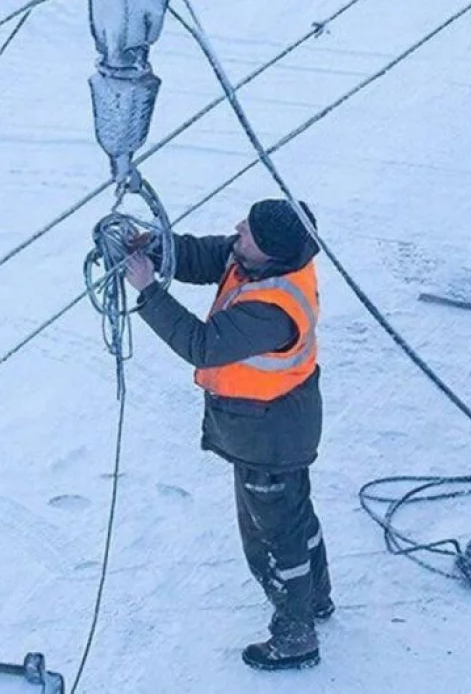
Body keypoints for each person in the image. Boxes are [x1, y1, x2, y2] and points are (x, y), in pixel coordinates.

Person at [124, 198, 333, 669]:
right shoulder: (263, 259)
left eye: (249, 233)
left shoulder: (272, 309)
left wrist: (148, 291)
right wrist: (155, 250)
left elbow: (203, 345)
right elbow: (204, 255)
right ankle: (316, 598)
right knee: (296, 520)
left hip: (268, 438)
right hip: (281, 423)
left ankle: (296, 636)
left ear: (270, 253)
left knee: (272, 538)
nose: (238, 230)